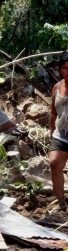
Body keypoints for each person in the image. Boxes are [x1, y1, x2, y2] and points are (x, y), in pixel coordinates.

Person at [50, 52, 68, 210]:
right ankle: (61, 203)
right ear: (60, 70)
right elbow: (53, 112)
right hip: (61, 134)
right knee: (54, 164)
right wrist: (51, 132)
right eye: (65, 68)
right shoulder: (57, 87)